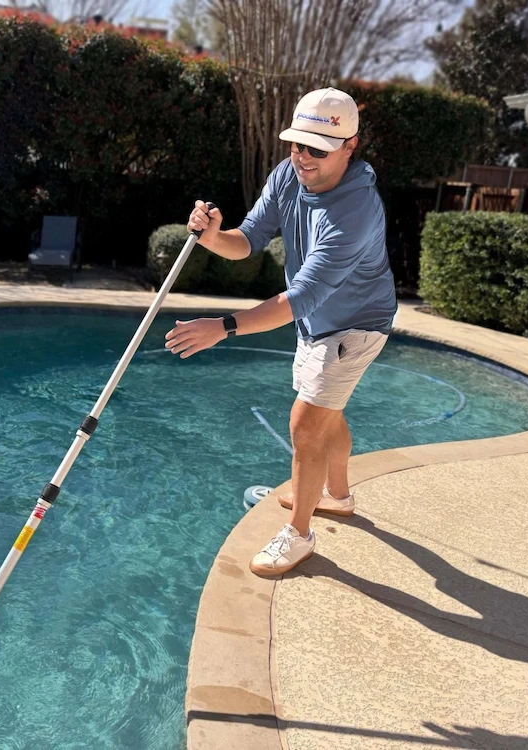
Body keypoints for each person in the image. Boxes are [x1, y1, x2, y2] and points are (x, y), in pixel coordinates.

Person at [165, 87, 397, 577]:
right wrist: (211, 236)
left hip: (355, 325)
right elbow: (247, 240)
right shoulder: (289, 175)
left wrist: (223, 327)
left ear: (350, 146)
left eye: (317, 148)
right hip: (318, 320)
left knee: (305, 425)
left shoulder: (353, 213)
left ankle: (300, 534)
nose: (303, 156)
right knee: (325, 414)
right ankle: (336, 495)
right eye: (296, 144)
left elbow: (302, 297)